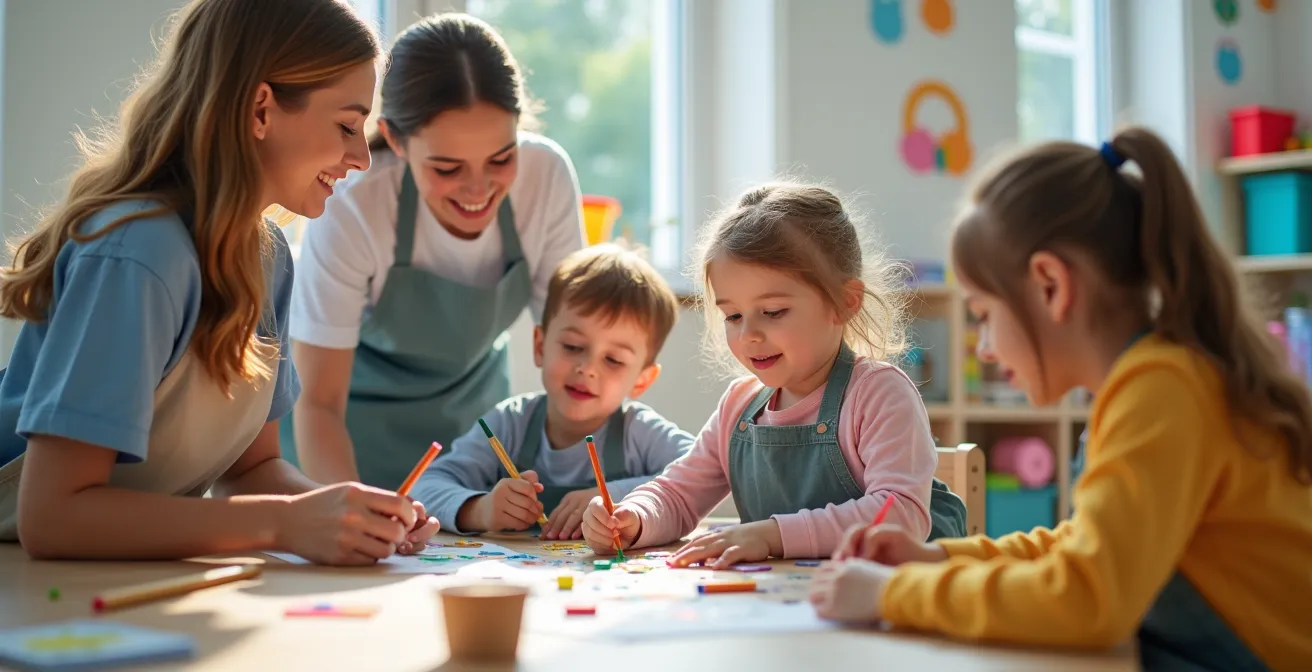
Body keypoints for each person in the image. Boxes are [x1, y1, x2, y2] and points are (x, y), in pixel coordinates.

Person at [811, 127, 1312, 671]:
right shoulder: (1154, 380)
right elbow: (1080, 545)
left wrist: (892, 595)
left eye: (984, 315)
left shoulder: (1161, 389)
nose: (986, 347)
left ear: (1050, 285)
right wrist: (933, 557)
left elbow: (1086, 597)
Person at [0, 0, 439, 565]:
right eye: (346, 125)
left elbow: (250, 472)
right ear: (261, 109)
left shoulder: (269, 257)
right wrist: (283, 523)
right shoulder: (136, 255)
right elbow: (53, 517)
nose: (359, 157)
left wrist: (351, 515)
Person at [581, 182, 968, 568]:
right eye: (733, 316)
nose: (748, 334)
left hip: (898, 604)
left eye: (773, 312)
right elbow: (679, 494)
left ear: (844, 303)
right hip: (786, 607)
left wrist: (770, 535)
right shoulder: (739, 405)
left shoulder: (880, 394)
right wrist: (635, 517)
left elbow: (899, 514)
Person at [285, 12, 585, 489]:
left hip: (469, 442)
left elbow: (581, 347)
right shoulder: (355, 202)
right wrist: (345, 511)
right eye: (447, 167)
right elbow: (319, 403)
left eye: (501, 158)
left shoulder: (545, 175)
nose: (478, 189)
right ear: (398, 141)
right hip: (342, 442)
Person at [410, 243, 693, 540]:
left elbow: (703, 476)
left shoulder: (639, 432)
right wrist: (481, 509)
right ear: (540, 346)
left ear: (642, 380)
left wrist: (616, 497)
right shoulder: (509, 423)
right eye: (572, 347)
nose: (588, 368)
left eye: (614, 360)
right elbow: (426, 485)